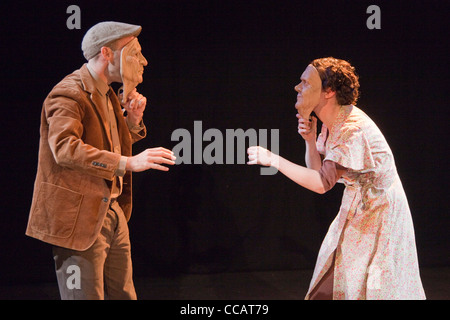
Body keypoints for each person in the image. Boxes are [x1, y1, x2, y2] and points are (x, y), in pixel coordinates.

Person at [247, 57, 426, 299]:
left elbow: (322, 185)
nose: (297, 88)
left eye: (305, 83)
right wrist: (310, 141)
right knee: (333, 283)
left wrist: (274, 160)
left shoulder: (352, 129)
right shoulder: (333, 122)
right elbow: (318, 175)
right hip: (359, 209)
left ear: (328, 91)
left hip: (380, 214)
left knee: (370, 287)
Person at [25, 21, 176, 299]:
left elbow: (107, 145)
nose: (142, 60)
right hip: (78, 216)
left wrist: (131, 121)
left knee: (124, 294)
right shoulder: (69, 93)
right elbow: (65, 149)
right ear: (107, 54)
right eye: (133, 53)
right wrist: (129, 163)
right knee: (84, 296)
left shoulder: (106, 93)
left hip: (111, 210)